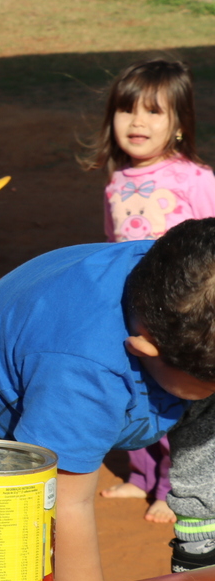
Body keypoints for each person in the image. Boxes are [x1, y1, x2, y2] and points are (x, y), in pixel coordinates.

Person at [0, 219, 215, 581]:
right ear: (144, 349)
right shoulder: (84, 368)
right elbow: (62, 505)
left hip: (104, 374)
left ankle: (201, 552)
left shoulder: (178, 273)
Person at [86, 58, 214, 524]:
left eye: (154, 111)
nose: (137, 121)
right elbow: (112, 244)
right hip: (134, 308)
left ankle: (169, 488)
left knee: (178, 402)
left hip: (181, 315)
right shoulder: (117, 182)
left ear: (179, 124)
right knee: (135, 392)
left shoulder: (195, 179)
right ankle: (141, 477)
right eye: (127, 109)